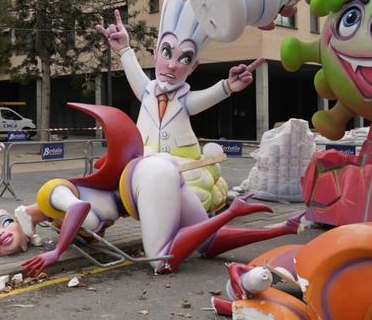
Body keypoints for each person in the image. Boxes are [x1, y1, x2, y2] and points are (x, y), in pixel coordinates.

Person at [20, 103, 301, 277]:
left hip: (149, 177)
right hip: (156, 173)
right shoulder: (87, 197)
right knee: (209, 243)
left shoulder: (51, 192)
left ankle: (231, 213)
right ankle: (283, 228)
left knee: (161, 261)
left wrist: (56, 252)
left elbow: (77, 210)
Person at [96, 0, 264, 213]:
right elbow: (133, 69)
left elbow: (206, 97)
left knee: (189, 184)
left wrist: (228, 86)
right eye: (166, 53)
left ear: (194, 66)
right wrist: (124, 48)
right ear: (155, 53)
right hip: (140, 160)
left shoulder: (185, 99)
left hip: (181, 164)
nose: (173, 65)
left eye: (184, 58)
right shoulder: (146, 91)